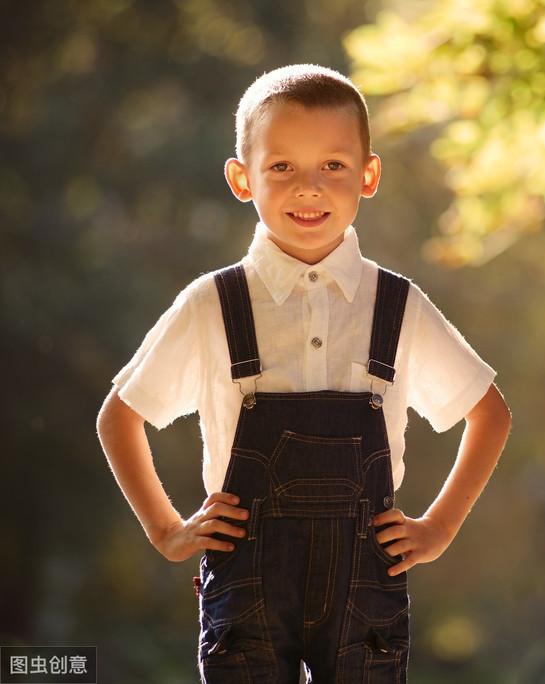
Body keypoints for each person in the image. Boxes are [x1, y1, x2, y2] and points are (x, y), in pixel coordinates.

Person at [95, 63, 512, 683]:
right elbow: (120, 417)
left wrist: (440, 526)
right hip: (247, 584)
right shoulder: (214, 303)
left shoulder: (396, 305)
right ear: (243, 179)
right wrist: (167, 530)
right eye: (282, 166)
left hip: (366, 585)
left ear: (369, 175)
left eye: (334, 166)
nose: (309, 188)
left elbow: (490, 414)